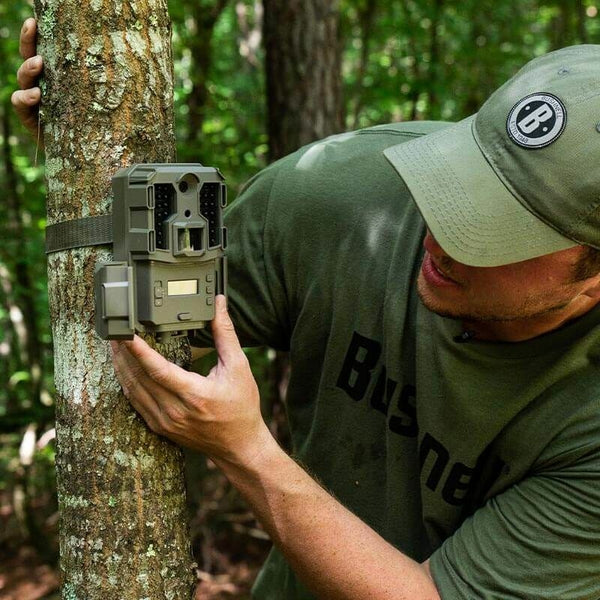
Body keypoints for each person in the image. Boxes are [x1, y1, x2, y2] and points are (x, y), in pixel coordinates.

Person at [13, 18, 600, 599]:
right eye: (459, 183)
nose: (440, 235)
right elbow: (154, 307)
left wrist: (247, 450)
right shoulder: (347, 193)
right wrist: (85, 147)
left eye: (494, 232)